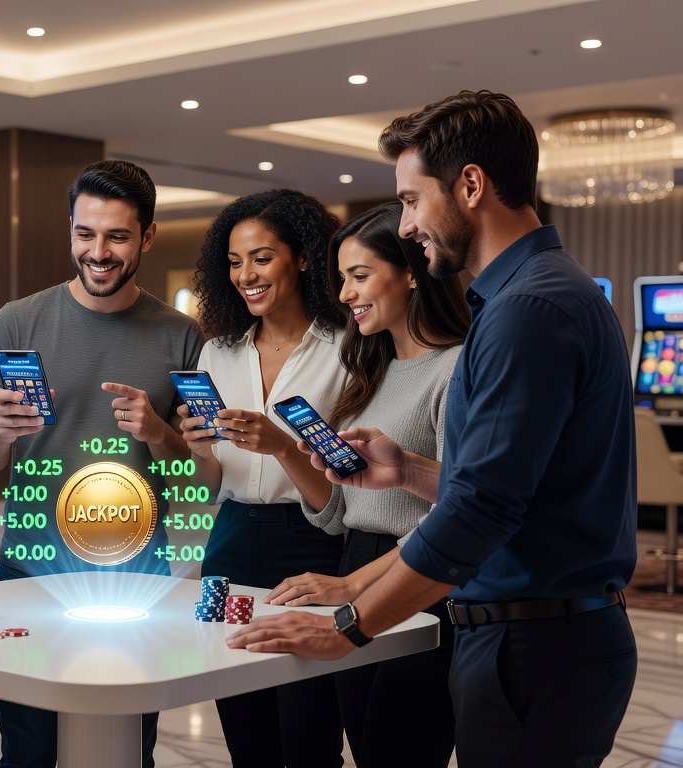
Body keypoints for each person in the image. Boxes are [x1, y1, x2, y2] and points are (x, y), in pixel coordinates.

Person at [227, 90, 638, 768]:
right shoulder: (541, 294)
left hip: (533, 641)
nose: (409, 224)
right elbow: (519, 490)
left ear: (470, 186)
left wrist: (349, 627)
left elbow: (482, 510)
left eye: (413, 200)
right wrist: (409, 471)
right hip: (543, 638)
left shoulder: (528, 309)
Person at [0, 159, 204, 768]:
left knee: (126, 747)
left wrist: (157, 435)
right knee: (28, 747)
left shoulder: (182, 337)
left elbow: (198, 475)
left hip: (135, 572)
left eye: (117, 237)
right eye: (85, 234)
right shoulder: (17, 321)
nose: (98, 252)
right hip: (30, 563)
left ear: (147, 236)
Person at [265, 201, 470, 768]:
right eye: (342, 281)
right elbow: (338, 512)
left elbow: (459, 513)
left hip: (420, 581)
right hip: (356, 557)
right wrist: (293, 453)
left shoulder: (456, 369)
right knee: (362, 744)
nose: (347, 294)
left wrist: (355, 585)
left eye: (359, 276)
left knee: (395, 753)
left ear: (409, 271)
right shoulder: (370, 371)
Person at [177, 188, 346, 767]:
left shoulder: (349, 348)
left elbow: (341, 490)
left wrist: (282, 447)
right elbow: (209, 486)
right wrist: (196, 448)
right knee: (245, 735)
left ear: (302, 258)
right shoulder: (217, 353)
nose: (245, 275)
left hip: (314, 547)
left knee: (308, 736)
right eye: (234, 261)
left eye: (261, 257)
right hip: (228, 542)